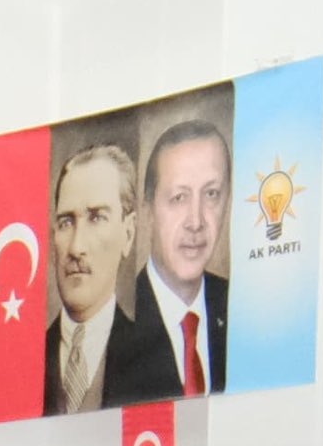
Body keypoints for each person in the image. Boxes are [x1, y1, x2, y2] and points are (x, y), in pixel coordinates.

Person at [95, 120, 227, 408]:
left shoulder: (243, 309)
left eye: (211, 194)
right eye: (178, 198)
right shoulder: (111, 329)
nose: (196, 221)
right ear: (147, 211)